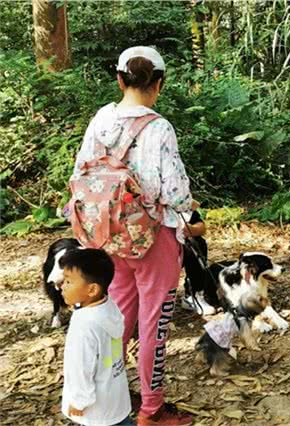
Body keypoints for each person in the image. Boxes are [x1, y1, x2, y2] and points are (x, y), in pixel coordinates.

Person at [71, 46, 193, 425]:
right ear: (159, 84)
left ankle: (111, 401)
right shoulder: (159, 127)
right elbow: (174, 192)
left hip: (105, 235)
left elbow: (81, 171)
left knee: (117, 318)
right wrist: (190, 208)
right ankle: (151, 410)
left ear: (120, 80)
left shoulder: (101, 119)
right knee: (153, 323)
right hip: (152, 237)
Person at [59, 248, 133, 426]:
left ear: (92, 289)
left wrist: (79, 400)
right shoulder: (109, 306)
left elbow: (80, 365)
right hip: (115, 394)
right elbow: (110, 352)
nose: (62, 286)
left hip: (94, 405)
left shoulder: (83, 323)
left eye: (68, 281)